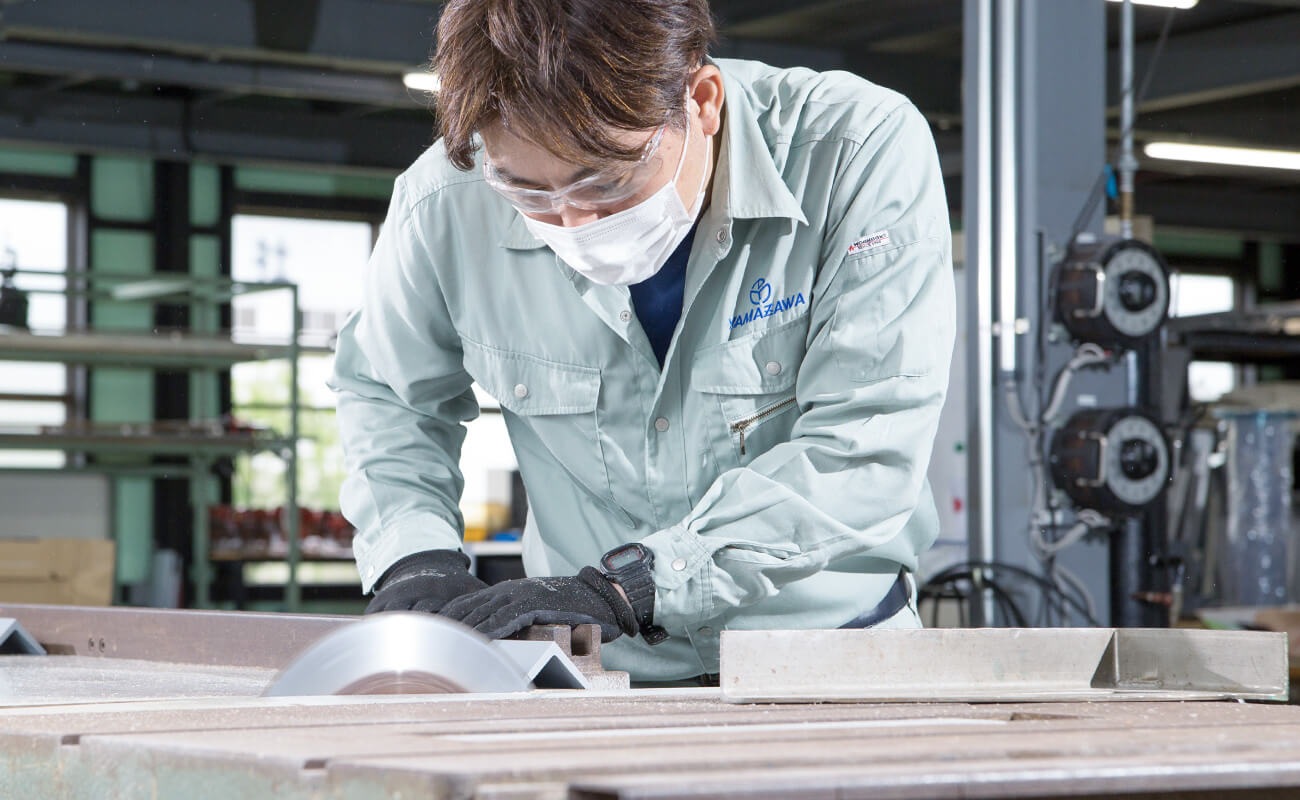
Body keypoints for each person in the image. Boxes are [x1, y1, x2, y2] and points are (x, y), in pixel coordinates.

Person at [329, 0, 955, 683]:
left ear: (702, 101)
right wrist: (415, 556)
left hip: (838, 664)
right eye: (528, 194)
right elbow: (387, 394)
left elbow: (863, 444)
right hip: (595, 679)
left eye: (607, 180)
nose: (574, 222)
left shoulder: (856, 153)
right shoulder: (443, 203)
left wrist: (635, 586)